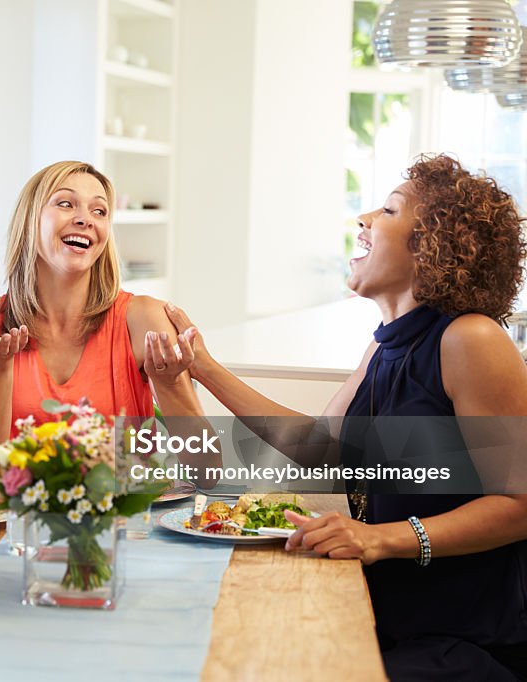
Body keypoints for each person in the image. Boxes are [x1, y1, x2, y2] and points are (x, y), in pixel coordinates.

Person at [165, 154, 527, 680]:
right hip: (388, 616)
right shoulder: (383, 350)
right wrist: (202, 367)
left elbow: (519, 503)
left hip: (468, 639)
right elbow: (319, 447)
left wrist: (381, 538)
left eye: (389, 210)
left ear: (432, 244)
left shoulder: (470, 338)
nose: (364, 220)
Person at [0, 160, 216, 483]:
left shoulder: (143, 319)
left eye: (100, 211)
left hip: (125, 526)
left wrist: (170, 384)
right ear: (30, 221)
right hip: (23, 526)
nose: (85, 219)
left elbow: (207, 470)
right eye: (65, 204)